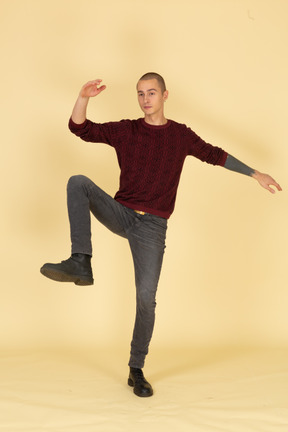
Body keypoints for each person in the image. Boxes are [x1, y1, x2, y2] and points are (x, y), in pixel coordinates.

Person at [40, 72, 282, 397]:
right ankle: (81, 260)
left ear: (165, 96)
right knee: (78, 181)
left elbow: (215, 154)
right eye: (140, 94)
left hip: (152, 227)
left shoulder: (181, 136)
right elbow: (80, 129)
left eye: (151, 93)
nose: (145, 99)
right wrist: (83, 97)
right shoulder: (126, 129)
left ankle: (136, 369)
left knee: (146, 300)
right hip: (121, 211)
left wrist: (255, 173)